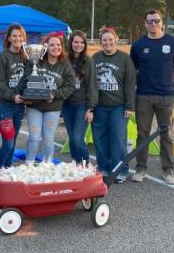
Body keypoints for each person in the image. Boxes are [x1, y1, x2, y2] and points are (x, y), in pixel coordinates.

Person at [130, 8, 174, 184]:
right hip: (143, 96)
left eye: (156, 20)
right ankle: (141, 168)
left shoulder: (173, 42)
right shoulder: (138, 45)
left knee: (166, 135)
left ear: (161, 22)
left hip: (166, 96)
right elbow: (134, 70)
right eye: (149, 21)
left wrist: (166, 82)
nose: (153, 24)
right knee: (142, 133)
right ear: (145, 24)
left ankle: (168, 170)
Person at [20, 32, 75, 165]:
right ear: (45, 47)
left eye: (58, 45)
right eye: (52, 45)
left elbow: (70, 85)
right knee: (34, 137)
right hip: (35, 106)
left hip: (53, 108)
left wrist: (54, 94)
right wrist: (26, 95)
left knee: (48, 138)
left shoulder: (65, 64)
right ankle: (29, 165)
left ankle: (47, 165)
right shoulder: (36, 60)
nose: (55, 47)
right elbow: (25, 80)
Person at [92, 28, 136, 183]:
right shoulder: (95, 58)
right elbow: (91, 84)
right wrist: (91, 106)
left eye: (110, 39)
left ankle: (120, 170)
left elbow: (130, 83)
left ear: (116, 39)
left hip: (118, 106)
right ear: (101, 42)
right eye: (104, 40)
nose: (107, 42)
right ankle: (103, 167)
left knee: (118, 139)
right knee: (100, 138)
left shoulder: (124, 58)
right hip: (100, 106)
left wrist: (129, 106)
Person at [0, 23, 27, 169]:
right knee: (8, 143)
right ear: (9, 37)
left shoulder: (26, 56)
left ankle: (6, 172)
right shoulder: (2, 57)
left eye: (20, 35)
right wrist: (13, 96)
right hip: (4, 105)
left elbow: (29, 78)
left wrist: (28, 96)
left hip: (19, 106)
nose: (17, 38)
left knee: (13, 142)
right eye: (14, 36)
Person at [62, 30, 97, 165]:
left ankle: (86, 165)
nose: (79, 45)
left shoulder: (88, 61)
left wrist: (90, 109)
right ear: (71, 43)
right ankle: (76, 165)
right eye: (76, 42)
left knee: (77, 137)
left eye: (82, 42)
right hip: (67, 105)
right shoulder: (64, 59)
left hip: (81, 105)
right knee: (72, 138)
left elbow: (92, 86)